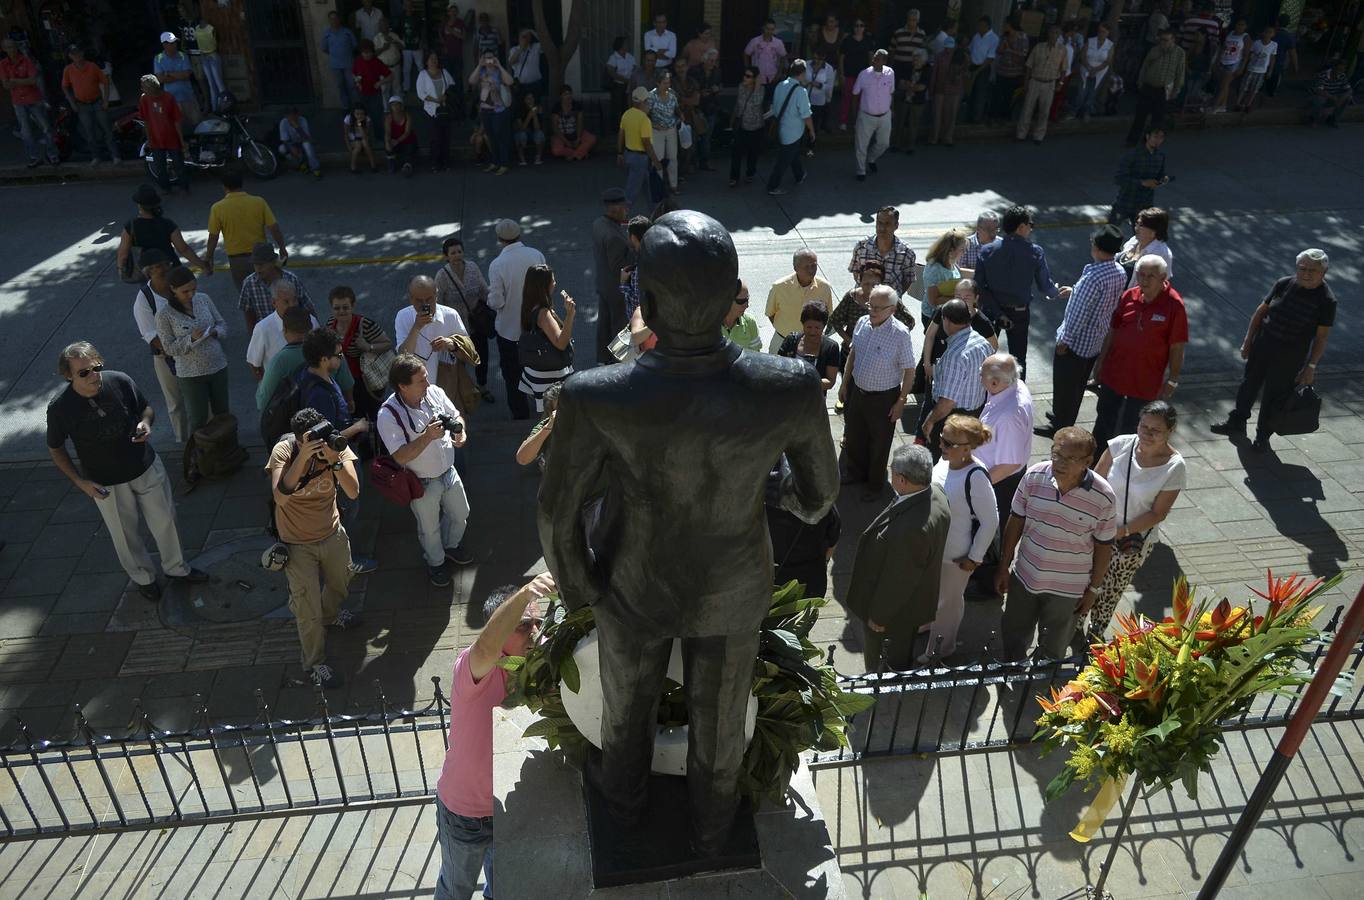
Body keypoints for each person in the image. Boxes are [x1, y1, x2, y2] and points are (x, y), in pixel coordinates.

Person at [537, 211, 838, 854]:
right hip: (732, 586)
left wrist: (583, 593)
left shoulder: (596, 396)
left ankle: (623, 809)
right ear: (735, 293)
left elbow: (556, 516)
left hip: (632, 584)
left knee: (627, 715)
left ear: (645, 302)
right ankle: (712, 826)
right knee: (721, 722)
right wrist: (768, 486)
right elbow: (819, 500)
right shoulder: (788, 386)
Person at [46, 342, 208, 601]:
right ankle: (144, 577)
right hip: (106, 482)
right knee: (124, 534)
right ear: (68, 376)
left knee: (166, 520)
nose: (94, 375)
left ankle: (177, 569)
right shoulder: (60, 408)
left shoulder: (119, 381)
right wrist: (80, 482)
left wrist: (145, 423)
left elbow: (146, 408)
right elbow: (55, 448)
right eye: (84, 373)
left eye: (96, 367)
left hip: (144, 465)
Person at [432, 575, 555, 899]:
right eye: (523, 625)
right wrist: (526, 593)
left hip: (509, 809)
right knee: (455, 889)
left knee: (503, 889)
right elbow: (487, 644)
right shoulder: (473, 667)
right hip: (465, 814)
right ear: (498, 627)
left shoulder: (536, 668)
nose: (534, 632)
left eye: (537, 623)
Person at [996, 427, 1117, 660]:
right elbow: (1016, 520)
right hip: (1025, 576)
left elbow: (1104, 547)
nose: (1059, 463)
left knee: (1054, 645)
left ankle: (1042, 685)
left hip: (1069, 588)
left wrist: (1094, 589)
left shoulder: (1104, 497)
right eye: (1056, 454)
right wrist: (1004, 566)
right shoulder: (1034, 476)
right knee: (1013, 633)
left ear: (1088, 461)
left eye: (1070, 458)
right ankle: (1012, 667)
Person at [268, 406, 359, 688]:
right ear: (298, 439)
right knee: (308, 611)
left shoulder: (336, 446)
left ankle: (331, 616)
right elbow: (280, 497)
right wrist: (304, 455)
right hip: (297, 545)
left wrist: (333, 461)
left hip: (332, 533)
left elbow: (353, 491)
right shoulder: (284, 452)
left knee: (341, 582)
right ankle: (315, 663)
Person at [1212, 249, 1334, 453]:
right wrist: (1248, 340)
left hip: (1290, 355)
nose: (1306, 273)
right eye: (1302, 268)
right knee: (1248, 384)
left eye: (1312, 270)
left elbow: (1321, 338)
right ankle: (1237, 422)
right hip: (1263, 345)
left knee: (1273, 396)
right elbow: (1260, 312)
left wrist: (1310, 367)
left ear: (1324, 271)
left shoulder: (1327, 300)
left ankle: (1262, 437)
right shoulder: (1285, 283)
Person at [846, 444, 951, 671]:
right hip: (912, 605)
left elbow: (899, 580)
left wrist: (879, 616)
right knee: (901, 648)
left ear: (902, 480)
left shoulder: (911, 530)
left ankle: (882, 688)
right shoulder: (937, 493)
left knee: (883, 660)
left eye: (892, 472)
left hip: (894, 614)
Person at [1085, 401, 1185, 639]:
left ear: (1169, 432)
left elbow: (1158, 513)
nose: (1147, 434)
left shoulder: (1175, 467)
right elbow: (1094, 482)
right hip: (1097, 528)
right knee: (1084, 582)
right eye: (1144, 426)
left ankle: (1095, 634)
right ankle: (1072, 627)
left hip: (1130, 539)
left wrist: (1121, 531)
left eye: (1155, 430)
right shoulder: (1120, 445)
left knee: (1109, 590)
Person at [1090, 255, 1187, 455]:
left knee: (1132, 428)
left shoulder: (1174, 306)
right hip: (1114, 374)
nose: (1144, 280)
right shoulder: (1129, 296)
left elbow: (1177, 347)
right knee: (1104, 420)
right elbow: (1113, 331)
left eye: (1150, 276)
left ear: (1163, 277)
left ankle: (1124, 466)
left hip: (1145, 381)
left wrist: (1173, 380)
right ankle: (1095, 461)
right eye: (1140, 275)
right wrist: (1100, 363)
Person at [1040, 225, 1127, 436]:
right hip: (1095, 341)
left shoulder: (1093, 278)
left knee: (1065, 386)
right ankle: (1064, 415)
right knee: (1077, 386)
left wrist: (1064, 341)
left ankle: (1060, 426)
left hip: (1076, 344)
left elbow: (1078, 315)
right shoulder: (1119, 272)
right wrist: (1075, 291)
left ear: (1096, 247)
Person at [925, 414, 999, 661]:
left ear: (967, 449)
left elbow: (991, 521)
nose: (941, 445)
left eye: (947, 443)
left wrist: (974, 558)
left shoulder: (975, 476)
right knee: (935, 595)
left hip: (956, 555)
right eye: (941, 439)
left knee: (949, 603)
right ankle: (928, 626)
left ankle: (941, 649)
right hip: (934, 548)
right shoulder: (946, 462)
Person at [839, 285, 916, 502]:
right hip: (857, 391)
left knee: (879, 444)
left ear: (892, 309)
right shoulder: (863, 323)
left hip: (883, 398)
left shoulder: (900, 334)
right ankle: (855, 472)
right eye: (870, 305)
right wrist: (845, 384)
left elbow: (910, 370)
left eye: (878, 307)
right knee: (854, 435)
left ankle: (875, 485)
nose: (871, 310)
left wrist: (901, 401)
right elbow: (853, 354)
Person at [975, 205, 1070, 380]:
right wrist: (1057, 291)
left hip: (991, 312)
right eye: (1030, 224)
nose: (1032, 228)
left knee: (984, 356)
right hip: (1019, 314)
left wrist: (997, 312)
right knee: (1018, 360)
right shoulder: (1034, 252)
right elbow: (1045, 286)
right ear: (1021, 226)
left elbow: (979, 287)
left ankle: (981, 395)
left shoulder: (986, 251)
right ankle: (1018, 397)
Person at [974, 353, 1033, 573]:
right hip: (998, 476)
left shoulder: (1009, 416)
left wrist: (979, 484)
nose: (979, 377)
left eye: (982, 375)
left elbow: (1009, 464)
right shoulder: (1013, 385)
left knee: (991, 531)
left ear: (995, 382)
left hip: (1000, 482)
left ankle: (988, 579)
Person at [156, 266, 229, 434]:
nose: (191, 295)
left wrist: (216, 332)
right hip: (191, 374)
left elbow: (222, 324)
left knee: (223, 414)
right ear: (173, 290)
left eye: (193, 289)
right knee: (198, 419)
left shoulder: (203, 299)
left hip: (218, 365)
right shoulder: (164, 315)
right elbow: (169, 348)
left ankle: (227, 450)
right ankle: (200, 456)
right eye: (185, 291)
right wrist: (191, 339)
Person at [487, 219, 546, 420]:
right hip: (538, 326)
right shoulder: (536, 254)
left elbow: (496, 301)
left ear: (499, 239)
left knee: (512, 375)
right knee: (539, 369)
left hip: (509, 331)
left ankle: (520, 413)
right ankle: (543, 409)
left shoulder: (497, 264)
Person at [920, 300, 993, 450]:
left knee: (943, 461)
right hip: (974, 415)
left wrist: (930, 421)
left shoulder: (954, 356)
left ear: (945, 320)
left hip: (952, 421)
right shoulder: (982, 342)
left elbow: (947, 403)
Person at [256, 307, 354, 419]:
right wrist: (349, 403)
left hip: (296, 426)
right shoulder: (331, 350)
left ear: (284, 330)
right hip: (333, 415)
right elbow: (347, 385)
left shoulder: (279, 361)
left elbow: (264, 402)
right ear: (311, 327)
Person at [765, 461, 841, 600]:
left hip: (766, 582)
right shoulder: (821, 505)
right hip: (809, 583)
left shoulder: (757, 508)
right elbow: (833, 538)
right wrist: (824, 562)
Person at [205, 169, 287, 293]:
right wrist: (282, 247)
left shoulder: (217, 208)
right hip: (261, 256)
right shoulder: (258, 202)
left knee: (246, 295)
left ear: (224, 186)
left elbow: (213, 237)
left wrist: (209, 257)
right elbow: (274, 228)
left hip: (237, 260)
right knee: (271, 292)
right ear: (241, 183)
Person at [433, 236, 492, 398]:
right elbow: (438, 303)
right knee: (459, 360)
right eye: (453, 253)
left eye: (459, 252)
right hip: (456, 328)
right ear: (446, 256)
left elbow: (484, 291)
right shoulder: (442, 275)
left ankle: (483, 386)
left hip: (477, 323)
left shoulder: (473, 268)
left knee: (482, 357)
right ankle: (463, 389)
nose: (457, 255)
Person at [327, 286, 392, 423]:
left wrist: (368, 347)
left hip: (365, 383)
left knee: (372, 418)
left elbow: (387, 344)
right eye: (337, 308)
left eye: (345, 307)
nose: (341, 311)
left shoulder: (365, 325)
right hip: (341, 382)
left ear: (353, 306)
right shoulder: (330, 325)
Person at [516, 265, 575, 411]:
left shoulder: (528, 305)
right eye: (552, 281)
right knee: (554, 418)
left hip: (535, 370)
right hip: (550, 375)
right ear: (544, 285)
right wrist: (570, 315)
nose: (555, 283)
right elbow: (561, 343)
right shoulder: (543, 313)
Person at [919, 278, 998, 388]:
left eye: (967, 297)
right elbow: (930, 335)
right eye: (958, 296)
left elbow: (993, 348)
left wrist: (977, 370)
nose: (962, 300)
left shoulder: (982, 322)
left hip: (961, 374)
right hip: (935, 366)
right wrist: (927, 363)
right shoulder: (943, 310)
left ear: (976, 298)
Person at [118, 184, 205, 276]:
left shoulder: (131, 226)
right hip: (170, 268)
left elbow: (123, 253)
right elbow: (183, 249)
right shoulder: (167, 224)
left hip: (148, 271)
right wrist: (202, 265)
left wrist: (121, 271)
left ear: (139, 205)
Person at [1, 37, 60, 167]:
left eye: (14, 46)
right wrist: (22, 80)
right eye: (9, 47)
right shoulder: (3, 64)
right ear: (4, 49)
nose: (12, 49)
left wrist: (15, 81)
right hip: (18, 101)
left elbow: (33, 80)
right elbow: (5, 84)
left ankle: (53, 155)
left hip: (34, 98)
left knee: (46, 128)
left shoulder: (26, 60)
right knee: (26, 132)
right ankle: (34, 157)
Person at [247, 278, 319, 381]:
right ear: (274, 303)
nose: (292, 305)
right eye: (286, 301)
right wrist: (265, 388)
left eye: (294, 300)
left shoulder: (311, 321)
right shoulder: (262, 328)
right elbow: (254, 363)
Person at [238, 241, 313, 335]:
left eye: (261, 264)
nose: (258, 268)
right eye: (255, 264)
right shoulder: (249, 284)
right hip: (267, 334)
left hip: (294, 332)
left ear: (273, 263)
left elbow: (308, 308)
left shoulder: (291, 279)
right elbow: (248, 312)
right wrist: (254, 336)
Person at [591, 188, 631, 365]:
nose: (627, 210)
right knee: (620, 328)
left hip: (603, 284)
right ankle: (618, 363)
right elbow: (619, 268)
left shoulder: (599, 223)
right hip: (616, 289)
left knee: (604, 325)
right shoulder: (614, 237)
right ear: (615, 210)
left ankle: (602, 359)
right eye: (624, 208)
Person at [61, 44, 120, 165]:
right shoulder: (68, 70)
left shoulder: (92, 67)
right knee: (89, 132)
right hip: (82, 105)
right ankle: (96, 157)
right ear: (70, 56)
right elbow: (65, 87)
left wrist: (105, 100)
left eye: (78, 53)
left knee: (107, 130)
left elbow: (105, 82)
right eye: (73, 54)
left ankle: (115, 156)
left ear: (82, 53)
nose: (76, 56)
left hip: (97, 102)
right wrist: (72, 102)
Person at [765, 249, 833, 353]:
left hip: (812, 344)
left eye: (814, 265)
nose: (811, 270)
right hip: (782, 341)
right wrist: (784, 330)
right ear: (795, 267)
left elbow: (827, 315)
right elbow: (770, 314)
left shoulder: (825, 287)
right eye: (807, 266)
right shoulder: (779, 287)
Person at [765, 59, 816, 196]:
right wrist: (812, 131)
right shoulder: (801, 92)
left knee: (792, 153)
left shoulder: (780, 85)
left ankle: (799, 175)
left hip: (781, 129)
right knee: (783, 161)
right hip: (793, 132)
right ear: (803, 73)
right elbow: (806, 115)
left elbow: (775, 108)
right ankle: (772, 186)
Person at [1126, 30, 1183, 145]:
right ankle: (1132, 139)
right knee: (1140, 115)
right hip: (1149, 85)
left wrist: (1176, 89)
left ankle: (1150, 141)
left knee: (1158, 119)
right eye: (1161, 40)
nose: (1163, 42)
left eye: (1166, 40)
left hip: (1163, 88)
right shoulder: (1154, 50)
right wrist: (1140, 82)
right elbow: (1145, 66)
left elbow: (1180, 72)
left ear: (1172, 40)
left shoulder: (1179, 53)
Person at [847, 206, 917, 299]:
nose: (882, 228)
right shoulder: (861, 246)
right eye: (879, 223)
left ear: (896, 225)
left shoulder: (907, 253)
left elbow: (908, 280)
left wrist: (892, 298)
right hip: (863, 301)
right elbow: (855, 271)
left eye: (887, 224)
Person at [1111, 127, 1170, 231]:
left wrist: (1163, 179)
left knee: (1143, 236)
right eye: (1155, 137)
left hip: (1145, 204)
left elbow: (1160, 174)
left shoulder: (1160, 156)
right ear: (1147, 137)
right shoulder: (1133, 154)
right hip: (1125, 202)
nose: (1158, 140)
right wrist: (1142, 183)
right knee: (1109, 233)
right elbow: (1119, 178)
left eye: (1161, 137)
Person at [1016, 24, 1067, 144]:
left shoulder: (1062, 50)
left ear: (1059, 35)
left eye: (1056, 33)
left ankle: (1038, 135)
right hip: (1035, 81)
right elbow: (1029, 65)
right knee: (1027, 108)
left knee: (1044, 111)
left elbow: (1064, 69)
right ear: (1048, 34)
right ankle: (1021, 134)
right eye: (1051, 32)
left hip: (1050, 83)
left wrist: (1060, 83)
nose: (1053, 35)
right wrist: (1026, 82)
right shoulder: (1038, 47)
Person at [137, 75, 188, 193]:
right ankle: (166, 188)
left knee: (178, 165)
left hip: (171, 138)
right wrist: (149, 139)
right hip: (156, 139)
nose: (142, 90)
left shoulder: (168, 98)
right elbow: (146, 121)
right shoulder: (144, 99)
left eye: (144, 88)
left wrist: (181, 140)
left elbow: (176, 120)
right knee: (160, 167)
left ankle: (184, 188)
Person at [777, 301, 840, 392]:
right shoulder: (791, 340)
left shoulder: (831, 347)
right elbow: (779, 367)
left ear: (824, 326)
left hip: (814, 400)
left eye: (817, 328)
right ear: (803, 324)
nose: (812, 332)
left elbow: (830, 381)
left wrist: (804, 384)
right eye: (809, 327)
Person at [852, 49, 895, 182]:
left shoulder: (890, 73)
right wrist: (855, 116)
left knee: (884, 143)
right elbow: (855, 94)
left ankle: (871, 159)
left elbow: (891, 92)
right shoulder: (864, 74)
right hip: (866, 115)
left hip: (885, 115)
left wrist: (891, 109)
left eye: (878, 58)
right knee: (861, 144)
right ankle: (861, 170)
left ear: (884, 61)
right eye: (874, 57)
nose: (874, 60)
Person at [470, 52, 514, 174]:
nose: (488, 60)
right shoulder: (482, 72)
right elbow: (471, 81)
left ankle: (504, 163)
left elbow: (510, 82)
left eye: (491, 57)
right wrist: (479, 65)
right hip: (485, 110)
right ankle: (495, 162)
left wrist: (499, 65)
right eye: (486, 57)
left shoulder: (499, 72)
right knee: (491, 137)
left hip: (499, 110)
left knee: (501, 137)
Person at [619, 86, 663, 210]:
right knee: (631, 191)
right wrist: (656, 161)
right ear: (643, 102)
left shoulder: (627, 114)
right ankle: (621, 215)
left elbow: (621, 135)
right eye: (647, 101)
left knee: (648, 186)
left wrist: (619, 153)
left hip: (629, 154)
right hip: (640, 158)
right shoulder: (644, 120)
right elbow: (646, 143)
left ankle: (655, 211)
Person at [920, 228, 970, 325]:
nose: (964, 253)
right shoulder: (934, 269)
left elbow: (960, 273)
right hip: (934, 317)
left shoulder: (952, 263)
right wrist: (959, 299)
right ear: (951, 251)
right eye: (962, 250)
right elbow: (933, 301)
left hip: (950, 313)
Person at [417, 51, 456, 172]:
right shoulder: (423, 74)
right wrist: (435, 100)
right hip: (431, 110)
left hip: (444, 109)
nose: (434, 61)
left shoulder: (444, 72)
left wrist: (445, 96)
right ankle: (435, 162)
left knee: (446, 137)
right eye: (431, 59)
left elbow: (452, 85)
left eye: (435, 59)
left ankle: (446, 162)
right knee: (435, 138)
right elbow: (420, 93)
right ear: (426, 61)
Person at [1117, 208, 1173, 289]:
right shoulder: (1134, 240)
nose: (1136, 228)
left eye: (1141, 225)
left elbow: (1159, 284)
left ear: (1154, 231)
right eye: (1136, 224)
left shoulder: (1162, 253)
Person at [154, 31, 201, 127]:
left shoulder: (183, 56)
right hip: (172, 99)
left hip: (188, 96)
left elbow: (186, 75)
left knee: (197, 123)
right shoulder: (158, 58)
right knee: (178, 126)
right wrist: (179, 75)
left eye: (175, 42)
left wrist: (168, 73)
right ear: (164, 44)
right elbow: (161, 79)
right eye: (171, 43)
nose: (174, 45)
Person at [728, 67, 765, 187]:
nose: (745, 78)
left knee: (753, 153)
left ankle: (750, 173)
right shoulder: (741, 87)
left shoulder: (761, 90)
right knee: (736, 152)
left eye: (748, 76)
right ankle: (734, 177)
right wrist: (732, 120)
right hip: (742, 125)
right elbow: (738, 104)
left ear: (755, 79)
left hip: (756, 126)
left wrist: (757, 86)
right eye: (745, 75)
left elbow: (756, 102)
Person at [646, 73, 681, 194]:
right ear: (658, 83)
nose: (667, 85)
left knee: (673, 157)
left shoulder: (672, 94)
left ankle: (674, 185)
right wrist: (654, 125)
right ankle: (658, 185)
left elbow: (676, 108)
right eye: (664, 83)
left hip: (671, 128)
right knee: (658, 158)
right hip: (657, 131)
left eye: (668, 82)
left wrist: (680, 115)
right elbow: (645, 115)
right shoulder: (651, 96)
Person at [1072, 22, 1115, 121]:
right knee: (1081, 92)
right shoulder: (1090, 41)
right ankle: (1075, 111)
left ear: (1108, 33)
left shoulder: (1110, 45)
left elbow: (1108, 61)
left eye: (1104, 32)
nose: (1101, 34)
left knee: (1092, 93)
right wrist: (1088, 67)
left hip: (1099, 73)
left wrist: (1095, 70)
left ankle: (1086, 112)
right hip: (1086, 70)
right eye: (1100, 31)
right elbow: (1083, 55)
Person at [930, 44, 970, 146]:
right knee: (948, 113)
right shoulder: (949, 58)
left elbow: (965, 74)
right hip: (949, 88)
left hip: (952, 88)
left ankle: (946, 137)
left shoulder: (960, 58)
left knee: (949, 113)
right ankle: (945, 137)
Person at [990, 19, 1029, 123]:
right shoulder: (1004, 36)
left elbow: (1023, 54)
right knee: (997, 94)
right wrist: (1003, 49)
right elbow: (998, 50)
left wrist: (1010, 50)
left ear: (1010, 25)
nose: (1004, 26)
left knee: (1008, 95)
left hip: (1014, 72)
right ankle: (994, 116)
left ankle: (1005, 116)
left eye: (1005, 24)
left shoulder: (1022, 37)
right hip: (1002, 70)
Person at [838, 19, 874, 130]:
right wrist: (841, 74)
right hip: (849, 74)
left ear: (864, 27)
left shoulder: (868, 40)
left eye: (861, 25)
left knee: (861, 99)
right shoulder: (847, 40)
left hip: (864, 75)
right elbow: (841, 58)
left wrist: (872, 74)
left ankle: (857, 122)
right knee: (847, 98)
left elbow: (871, 58)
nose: (859, 28)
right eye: (856, 25)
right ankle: (843, 121)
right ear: (853, 27)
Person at [1209, 18, 1249, 114]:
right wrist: (1216, 62)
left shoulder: (1245, 37)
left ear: (1245, 26)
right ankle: (1223, 106)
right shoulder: (1230, 34)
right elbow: (1222, 48)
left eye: (1242, 24)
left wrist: (1241, 67)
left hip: (1234, 63)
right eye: (1238, 24)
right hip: (1224, 60)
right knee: (1223, 85)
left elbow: (1246, 54)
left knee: (1224, 85)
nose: (1240, 26)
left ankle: (1214, 107)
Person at [321, 11, 359, 109]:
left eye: (335, 18)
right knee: (341, 87)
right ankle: (346, 108)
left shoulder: (347, 32)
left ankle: (356, 107)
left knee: (352, 86)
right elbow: (324, 48)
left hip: (348, 64)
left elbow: (355, 45)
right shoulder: (327, 34)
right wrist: (335, 53)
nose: (334, 21)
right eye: (331, 19)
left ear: (339, 19)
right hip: (336, 66)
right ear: (329, 20)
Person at [745, 19, 788, 104]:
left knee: (770, 102)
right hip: (757, 77)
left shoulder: (778, 42)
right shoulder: (755, 41)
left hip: (773, 78)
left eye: (772, 29)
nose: (769, 31)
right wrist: (747, 70)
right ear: (763, 28)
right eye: (767, 29)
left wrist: (779, 73)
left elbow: (783, 56)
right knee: (756, 102)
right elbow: (746, 53)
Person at [965, 16, 999, 123]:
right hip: (972, 66)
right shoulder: (976, 36)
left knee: (980, 94)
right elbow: (969, 50)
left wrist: (977, 71)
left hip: (983, 68)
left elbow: (990, 58)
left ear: (987, 26)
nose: (978, 27)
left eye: (981, 25)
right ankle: (968, 116)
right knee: (970, 93)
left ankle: (977, 118)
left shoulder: (994, 38)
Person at [1235, 25, 1276, 111]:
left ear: (1273, 35)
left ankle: (1248, 104)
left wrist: (1270, 71)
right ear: (1263, 33)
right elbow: (1249, 55)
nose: (1268, 34)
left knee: (1254, 89)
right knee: (1244, 86)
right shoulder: (1256, 43)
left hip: (1262, 71)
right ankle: (1238, 103)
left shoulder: (1274, 45)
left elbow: (1272, 58)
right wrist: (1244, 65)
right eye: (1266, 31)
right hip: (1251, 68)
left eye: (1270, 32)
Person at [550, 85, 596, 161]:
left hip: (575, 132)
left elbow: (580, 123)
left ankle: (574, 155)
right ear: (561, 96)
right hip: (561, 135)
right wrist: (566, 142)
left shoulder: (577, 106)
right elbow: (555, 129)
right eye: (565, 94)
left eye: (569, 94)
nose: (568, 96)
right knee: (556, 150)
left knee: (592, 139)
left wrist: (578, 138)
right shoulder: (556, 108)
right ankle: (578, 153)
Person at [278, 108, 321, 177]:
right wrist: (291, 148)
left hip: (303, 142)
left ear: (297, 115)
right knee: (281, 149)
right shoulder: (283, 122)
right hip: (292, 143)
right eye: (289, 116)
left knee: (307, 145)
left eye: (293, 116)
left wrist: (296, 126)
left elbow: (306, 137)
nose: (291, 118)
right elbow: (284, 140)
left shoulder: (302, 120)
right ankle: (301, 163)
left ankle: (315, 168)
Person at [1309, 59, 1352, 127]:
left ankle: (1333, 119)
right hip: (1320, 96)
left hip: (1333, 97)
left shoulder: (1342, 76)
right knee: (1319, 99)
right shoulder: (1323, 75)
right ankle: (1314, 119)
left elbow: (1349, 90)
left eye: (1342, 70)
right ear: (1333, 68)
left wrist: (1342, 99)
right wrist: (1332, 97)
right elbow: (1318, 90)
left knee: (1348, 98)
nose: (1340, 72)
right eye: (1338, 69)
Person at [393, 0, 425, 93]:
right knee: (406, 68)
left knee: (420, 67)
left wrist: (422, 42)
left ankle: (423, 87)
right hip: (405, 46)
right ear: (404, 6)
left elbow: (423, 29)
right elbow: (397, 30)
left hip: (417, 46)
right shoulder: (401, 17)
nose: (408, 7)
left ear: (412, 6)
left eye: (410, 5)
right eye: (406, 5)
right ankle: (406, 87)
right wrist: (399, 43)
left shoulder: (417, 16)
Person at [722, 280, 763, 351]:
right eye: (741, 301)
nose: (747, 305)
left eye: (747, 299)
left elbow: (756, 355)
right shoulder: (708, 325)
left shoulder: (750, 322)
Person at [1264, 14, 1298, 98]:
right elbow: (1292, 53)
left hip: (1266, 59)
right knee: (1274, 81)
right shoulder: (1289, 36)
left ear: (1277, 22)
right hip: (1279, 62)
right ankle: (1269, 95)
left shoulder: (1271, 32)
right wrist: (1295, 66)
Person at [384, 96, 418, 175]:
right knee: (388, 145)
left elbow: (407, 132)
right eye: (393, 105)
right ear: (390, 107)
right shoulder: (388, 118)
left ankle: (407, 166)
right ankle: (391, 163)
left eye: (397, 105)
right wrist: (387, 142)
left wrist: (398, 141)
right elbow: (387, 132)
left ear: (402, 106)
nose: (395, 107)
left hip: (407, 139)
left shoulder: (407, 116)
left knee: (409, 150)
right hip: (394, 140)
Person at [605, 36, 636, 123]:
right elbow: (611, 72)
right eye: (625, 43)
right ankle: (616, 126)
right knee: (617, 107)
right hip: (618, 85)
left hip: (629, 85)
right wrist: (625, 80)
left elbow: (634, 68)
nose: (627, 45)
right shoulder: (613, 57)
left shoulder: (630, 56)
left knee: (627, 105)